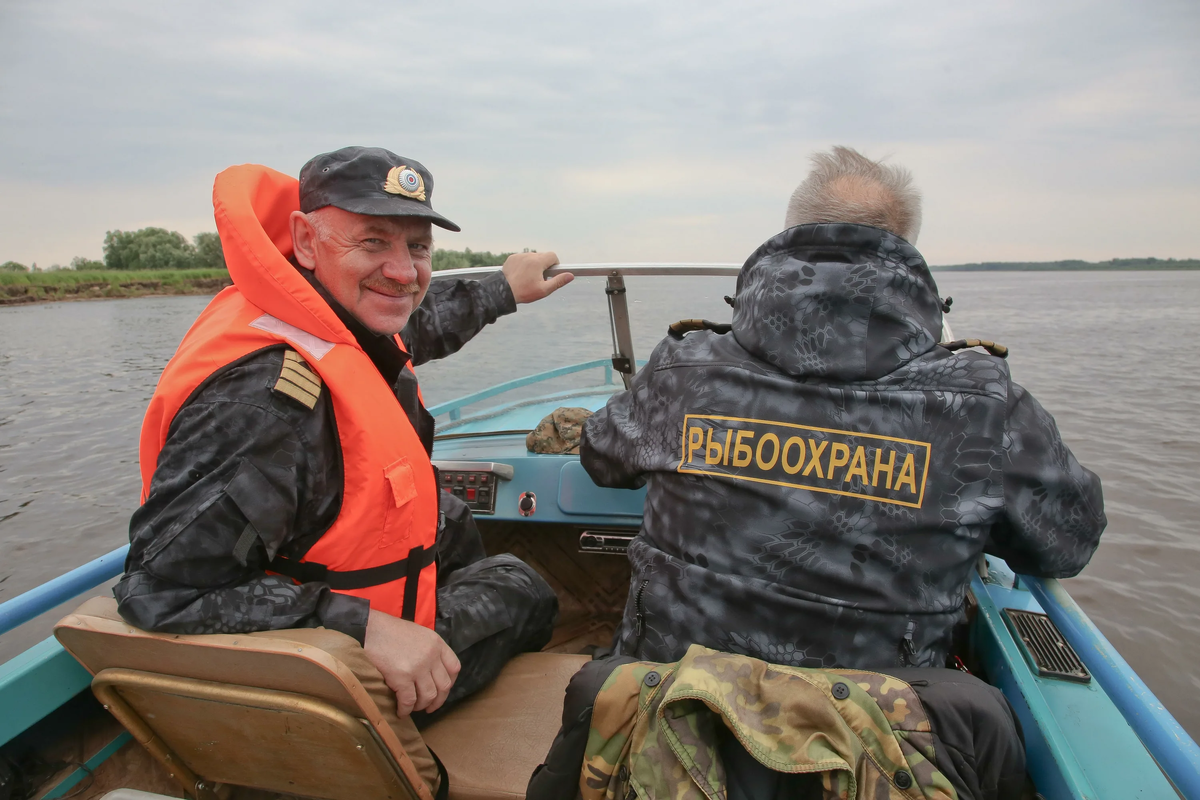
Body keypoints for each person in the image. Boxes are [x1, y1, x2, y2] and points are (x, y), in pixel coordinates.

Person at [533, 146, 1106, 799]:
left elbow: (602, 456)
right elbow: (1068, 542)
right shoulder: (984, 403)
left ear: (789, 235)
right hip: (873, 759)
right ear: (907, 249)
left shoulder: (682, 370)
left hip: (668, 736)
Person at [114, 146, 571, 794]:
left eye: (417, 247)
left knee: (450, 519)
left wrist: (502, 289)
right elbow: (161, 589)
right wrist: (367, 628)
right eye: (373, 241)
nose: (403, 271)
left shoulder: (312, 312)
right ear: (305, 239)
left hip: (336, 593)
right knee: (523, 586)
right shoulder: (262, 403)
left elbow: (414, 326)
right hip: (325, 684)